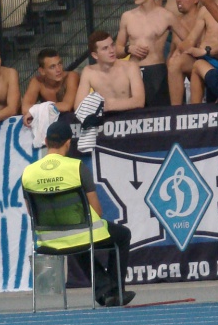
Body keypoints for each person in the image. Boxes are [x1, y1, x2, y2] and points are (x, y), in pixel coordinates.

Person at [21, 120, 135, 307]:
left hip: (48, 240)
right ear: (68, 143)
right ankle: (115, 292)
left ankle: (106, 290)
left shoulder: (28, 173)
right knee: (120, 235)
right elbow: (97, 211)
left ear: (46, 141)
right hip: (80, 233)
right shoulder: (76, 167)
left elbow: (32, 213)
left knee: (75, 236)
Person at [114, 0, 189, 107]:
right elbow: (117, 50)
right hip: (133, 71)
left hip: (156, 72)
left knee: (160, 113)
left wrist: (177, 52)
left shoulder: (166, 16)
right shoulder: (127, 17)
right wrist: (128, 49)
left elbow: (189, 40)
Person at [74, 31, 145, 112]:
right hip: (104, 117)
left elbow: (139, 101)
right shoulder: (89, 72)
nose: (111, 50)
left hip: (129, 115)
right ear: (95, 55)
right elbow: (78, 106)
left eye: (112, 45)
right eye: (105, 48)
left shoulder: (130, 67)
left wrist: (108, 105)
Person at [165, 0, 204, 105]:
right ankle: (176, 110)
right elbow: (172, 50)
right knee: (173, 62)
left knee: (176, 62)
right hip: (181, 70)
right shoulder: (176, 21)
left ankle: (177, 110)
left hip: (202, 63)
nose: (178, 0)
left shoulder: (203, 17)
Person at [21, 48, 79, 125]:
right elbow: (25, 108)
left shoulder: (71, 76)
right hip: (49, 124)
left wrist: (36, 110)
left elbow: (66, 106)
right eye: (52, 67)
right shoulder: (37, 82)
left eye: (59, 64)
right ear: (42, 71)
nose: (58, 70)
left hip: (73, 123)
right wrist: (45, 109)